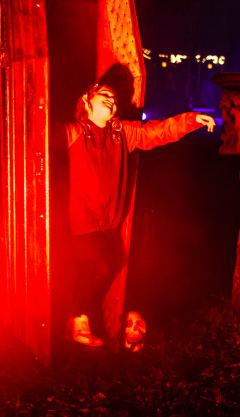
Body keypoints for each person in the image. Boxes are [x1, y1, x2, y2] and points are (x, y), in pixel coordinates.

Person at [60, 83, 215, 347]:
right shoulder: (73, 132)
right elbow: (37, 136)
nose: (112, 100)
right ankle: (77, 319)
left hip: (109, 221)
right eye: (105, 95)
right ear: (87, 100)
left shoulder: (122, 134)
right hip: (81, 219)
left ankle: (85, 323)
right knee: (100, 268)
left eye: (114, 97)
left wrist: (191, 121)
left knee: (110, 265)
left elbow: (156, 132)